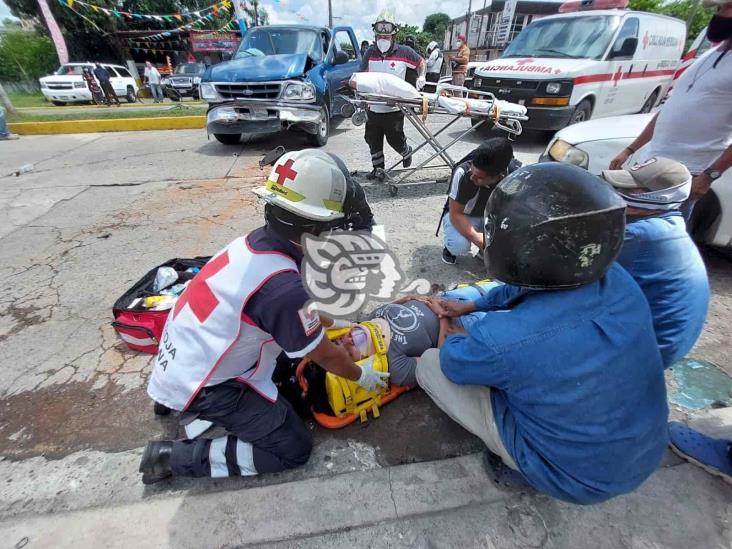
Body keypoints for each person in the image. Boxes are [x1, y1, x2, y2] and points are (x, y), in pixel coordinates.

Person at [417, 162, 669, 505]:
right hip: (644, 453)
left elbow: (452, 361)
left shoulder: (503, 340)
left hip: (575, 479)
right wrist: (475, 305)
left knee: (428, 365)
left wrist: (449, 322)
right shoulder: (616, 279)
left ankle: (523, 464)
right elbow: (537, 285)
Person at [139, 149, 382, 484]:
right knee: (292, 447)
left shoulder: (260, 244)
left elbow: (293, 311)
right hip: (209, 382)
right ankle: (174, 457)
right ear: (314, 227)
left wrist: (333, 323)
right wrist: (360, 375)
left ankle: (179, 400)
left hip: (187, 353)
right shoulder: (283, 288)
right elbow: (323, 352)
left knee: (287, 372)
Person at [609, 0, 732, 231]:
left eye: (725, 8)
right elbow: (672, 107)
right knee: (631, 230)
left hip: (684, 174)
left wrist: (709, 175)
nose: (719, 15)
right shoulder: (711, 54)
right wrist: (631, 149)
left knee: (658, 233)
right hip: (654, 164)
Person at [601, 157, 710, 368]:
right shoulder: (671, 222)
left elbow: (575, 270)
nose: (617, 192)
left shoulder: (642, 235)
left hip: (647, 352)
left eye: (629, 190)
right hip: (667, 341)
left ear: (657, 197)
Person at [359, 10, 426, 179]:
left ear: (393, 37)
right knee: (372, 138)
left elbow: (421, 62)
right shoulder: (370, 53)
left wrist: (422, 75)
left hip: (394, 109)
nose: (383, 40)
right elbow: (362, 75)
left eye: (386, 37)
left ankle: (406, 151)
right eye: (380, 36)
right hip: (373, 107)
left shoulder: (404, 52)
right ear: (375, 36)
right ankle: (378, 169)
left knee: (395, 139)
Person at [440, 137, 521, 265]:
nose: (472, 177)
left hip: (491, 216)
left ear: (498, 176)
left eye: (479, 177)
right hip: (463, 215)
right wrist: (479, 240)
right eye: (472, 171)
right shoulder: (463, 172)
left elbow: (514, 210)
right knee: (459, 245)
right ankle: (450, 248)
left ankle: (483, 254)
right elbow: (455, 214)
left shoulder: (514, 176)